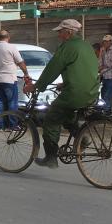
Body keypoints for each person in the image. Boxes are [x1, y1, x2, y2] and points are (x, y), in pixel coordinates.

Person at [24, 19, 100, 169]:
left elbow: (52, 69)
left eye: (60, 31)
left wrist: (36, 86)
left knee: (51, 119)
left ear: (69, 32)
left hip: (75, 93)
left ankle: (51, 158)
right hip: (91, 92)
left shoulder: (67, 47)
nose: (59, 35)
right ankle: (82, 138)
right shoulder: (86, 45)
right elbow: (84, 70)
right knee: (66, 115)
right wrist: (65, 83)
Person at [0, 30, 30, 130]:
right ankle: (13, 125)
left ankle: (1, 126)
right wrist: (26, 73)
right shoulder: (11, 47)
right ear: (8, 37)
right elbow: (20, 62)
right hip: (9, 79)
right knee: (12, 102)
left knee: (0, 103)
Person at [99, 34, 112, 109]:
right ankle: (110, 111)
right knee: (103, 93)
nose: (105, 43)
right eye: (104, 41)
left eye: (107, 41)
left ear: (111, 42)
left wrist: (103, 66)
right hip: (104, 76)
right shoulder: (102, 50)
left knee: (108, 95)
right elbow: (100, 63)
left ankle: (106, 111)